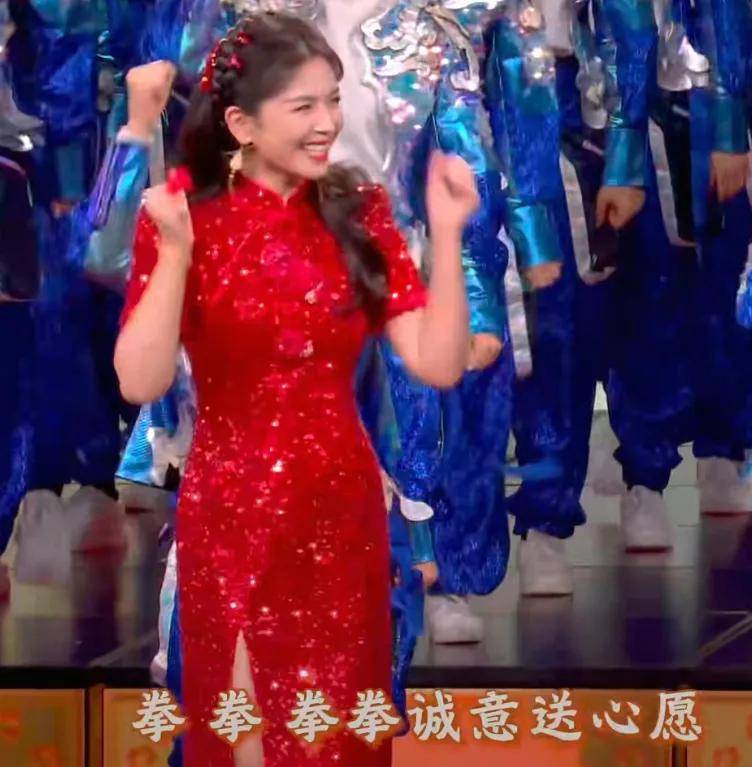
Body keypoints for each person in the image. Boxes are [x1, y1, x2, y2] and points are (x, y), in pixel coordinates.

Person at [114, 12, 479, 767]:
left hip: (342, 514)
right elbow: (139, 379)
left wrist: (447, 235)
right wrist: (175, 254)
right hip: (233, 513)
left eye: (333, 100)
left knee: (336, 742)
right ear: (242, 125)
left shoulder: (360, 211)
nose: (328, 123)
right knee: (242, 740)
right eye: (304, 106)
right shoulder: (186, 217)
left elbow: (437, 363)